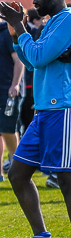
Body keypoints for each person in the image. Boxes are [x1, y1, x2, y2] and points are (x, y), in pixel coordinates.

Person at [1, 0, 71, 238]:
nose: (34, 0)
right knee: (17, 174)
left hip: (64, 107)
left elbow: (39, 57)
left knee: (67, 179)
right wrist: (17, 33)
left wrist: (19, 26)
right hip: (46, 110)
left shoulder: (68, 19)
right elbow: (32, 62)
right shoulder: (52, 23)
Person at [0, 15, 24, 182]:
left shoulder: (7, 32)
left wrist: (15, 84)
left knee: (8, 130)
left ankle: (19, 170)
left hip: (8, 90)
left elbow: (19, 61)